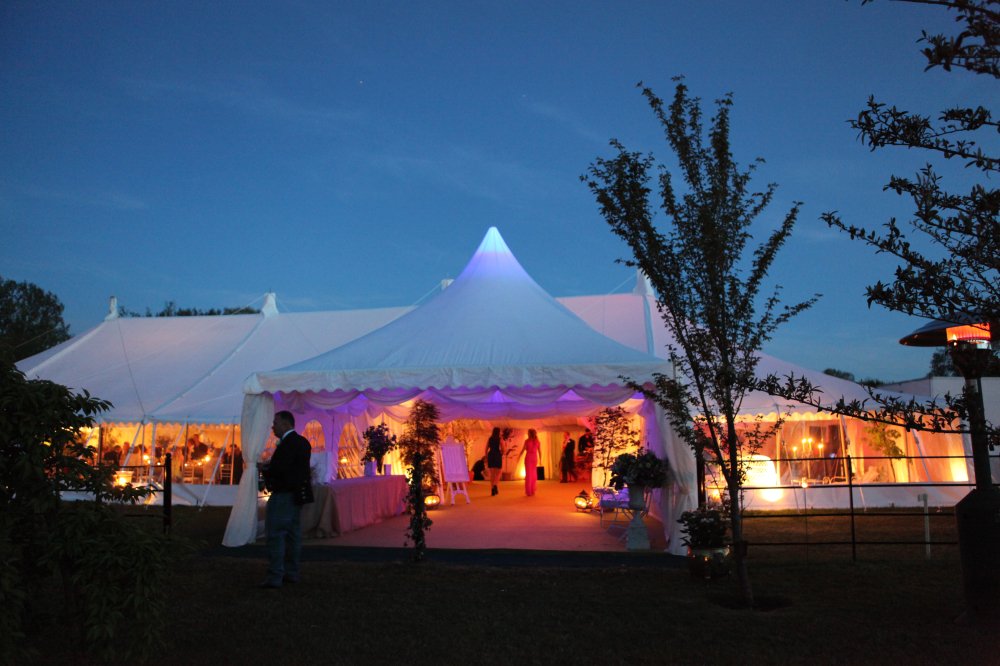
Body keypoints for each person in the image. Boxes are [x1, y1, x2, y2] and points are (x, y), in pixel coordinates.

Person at [259, 410, 311, 589]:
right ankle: (292, 572)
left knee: (276, 534)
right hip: (297, 495)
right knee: (293, 536)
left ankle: (275, 575)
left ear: (285, 423)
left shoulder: (287, 445)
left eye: (275, 423)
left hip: (283, 494)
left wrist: (265, 469)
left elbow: (281, 469)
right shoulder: (303, 442)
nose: (272, 427)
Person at [520, 429, 541, 496]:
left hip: (529, 458)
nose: (527, 433)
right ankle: (532, 490)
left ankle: (529, 491)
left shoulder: (527, 441)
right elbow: (539, 451)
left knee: (529, 474)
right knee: (533, 474)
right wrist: (540, 459)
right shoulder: (537, 441)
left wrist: (519, 456)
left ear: (530, 434)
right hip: (534, 458)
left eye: (528, 433)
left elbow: (523, 449)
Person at [485, 427, 503, 496]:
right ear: (498, 432)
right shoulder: (500, 439)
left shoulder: (490, 439)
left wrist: (487, 457)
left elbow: (486, 449)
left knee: (492, 474)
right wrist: (502, 453)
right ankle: (495, 484)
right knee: (499, 472)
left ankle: (492, 489)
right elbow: (503, 449)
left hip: (491, 455)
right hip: (497, 455)